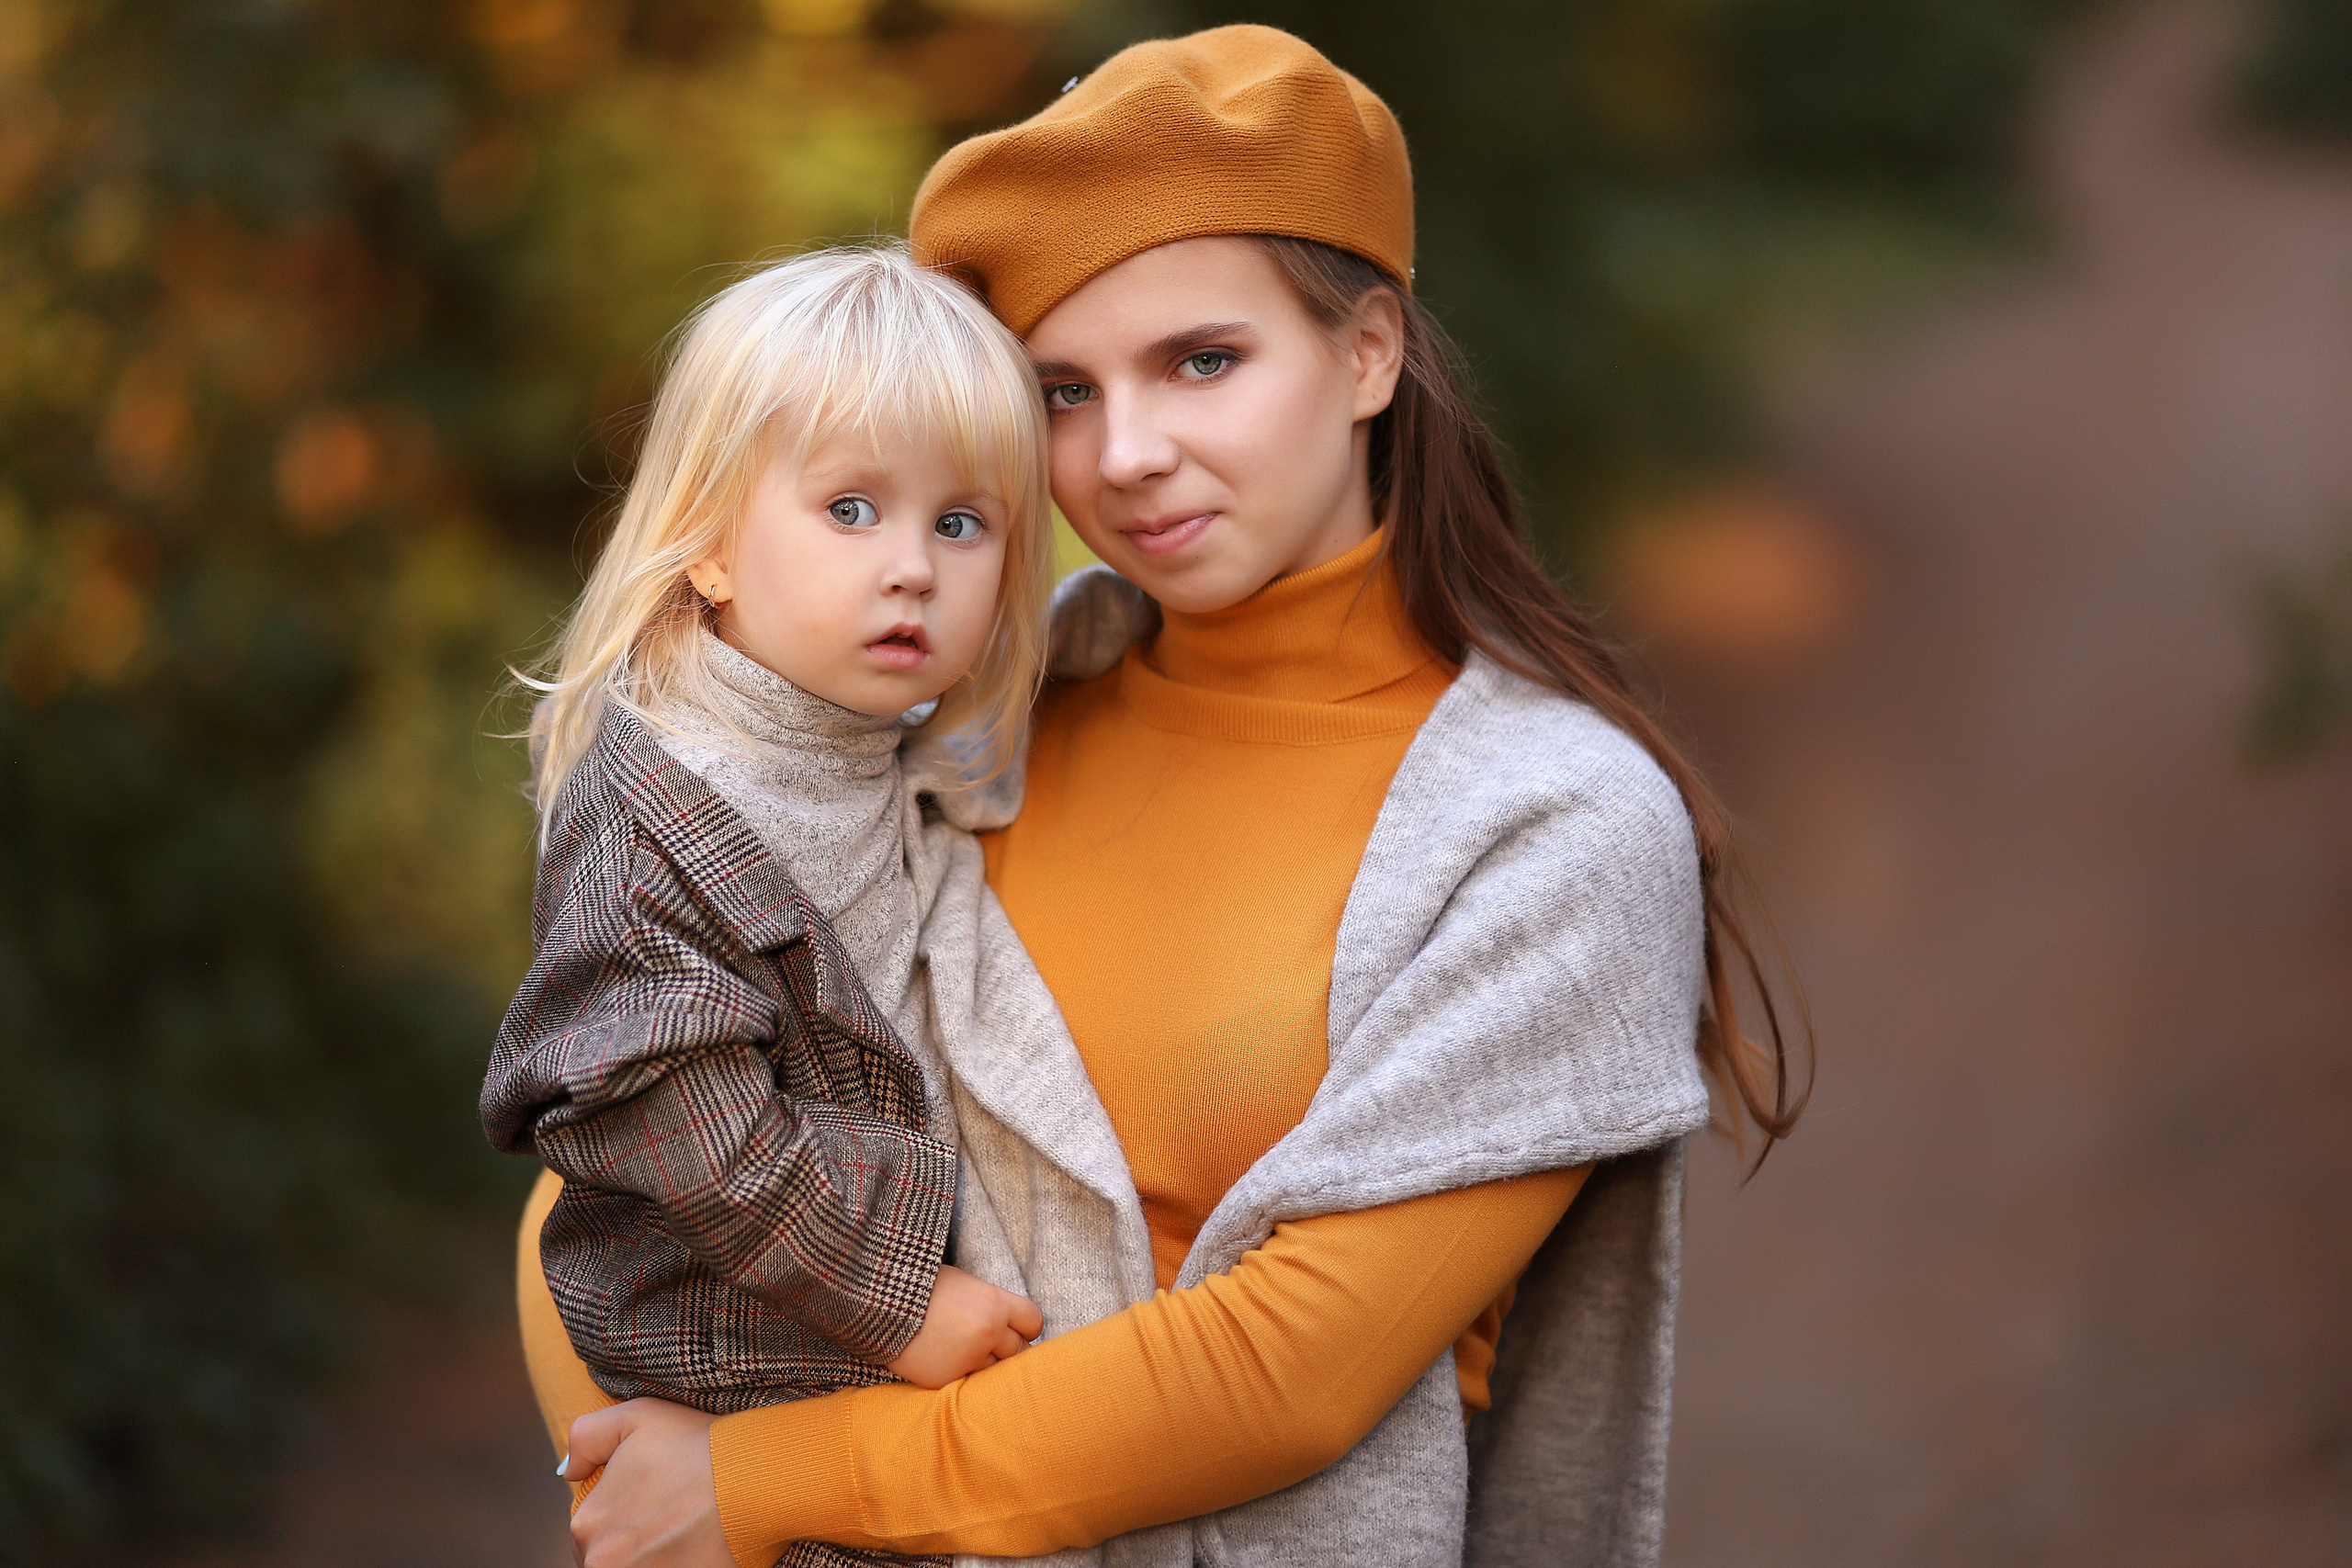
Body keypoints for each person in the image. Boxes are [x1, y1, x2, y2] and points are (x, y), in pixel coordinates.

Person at [529, 25, 1804, 1568]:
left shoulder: (1554, 830)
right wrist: (633, 1486)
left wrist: (762, 1486)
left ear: (1367, 355)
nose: (1128, 453)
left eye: (1204, 360)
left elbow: (1290, 1375)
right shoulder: (987, 717)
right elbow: (624, 1158)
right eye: (1064, 391)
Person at [479, 244, 1055, 1564]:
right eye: (852, 510)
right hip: (735, 1329)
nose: (911, 565)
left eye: (959, 524)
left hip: (841, 1310)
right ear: (712, 547)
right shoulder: (663, 808)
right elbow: (677, 1115)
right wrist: (898, 1301)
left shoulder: (866, 737)